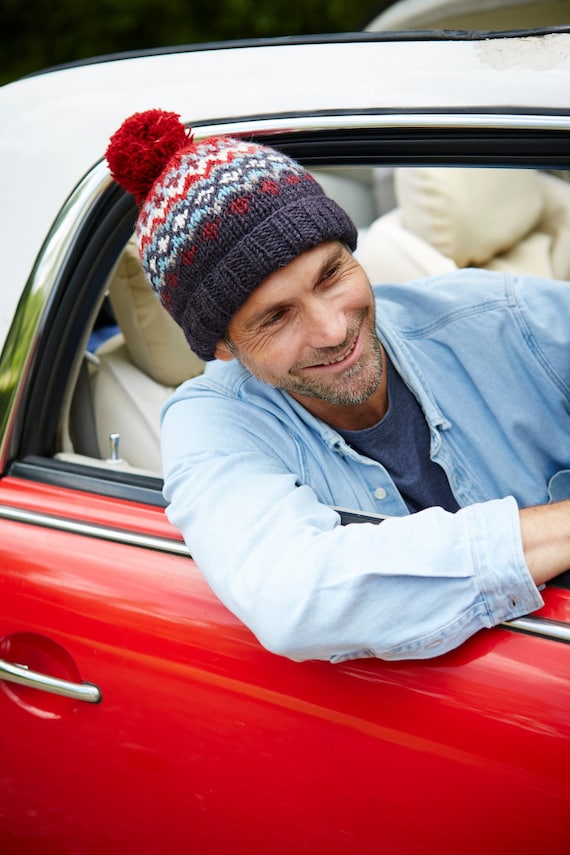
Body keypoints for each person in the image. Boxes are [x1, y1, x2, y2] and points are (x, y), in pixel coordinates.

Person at [106, 109, 570, 663]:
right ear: (226, 348)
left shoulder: (499, 316)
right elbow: (295, 597)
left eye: (331, 275)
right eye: (276, 317)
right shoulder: (212, 421)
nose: (333, 329)